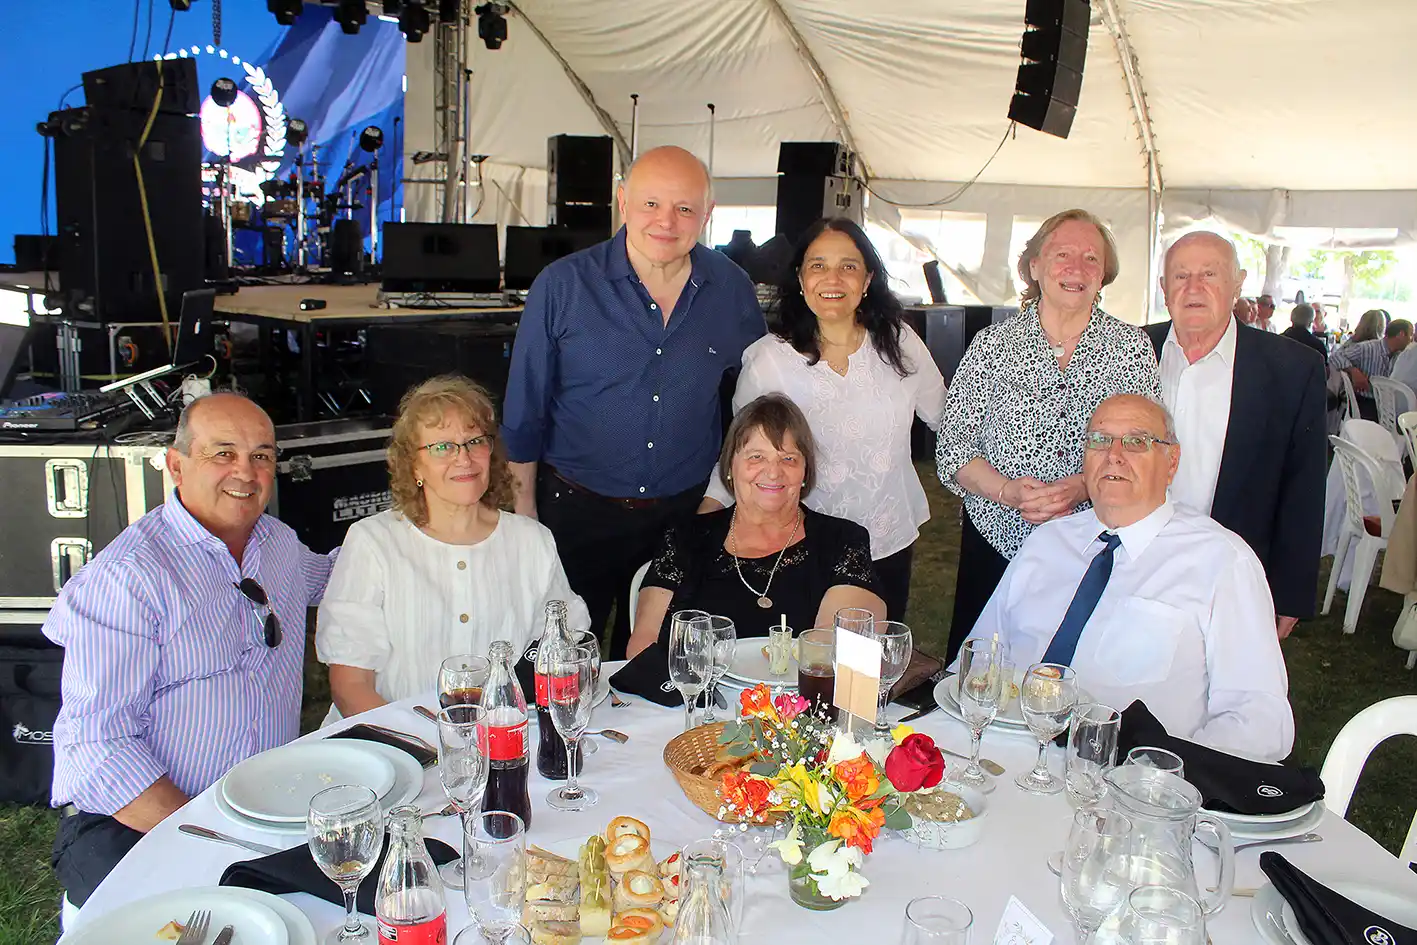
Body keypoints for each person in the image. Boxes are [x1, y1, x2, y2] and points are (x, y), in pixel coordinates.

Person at [45, 393, 336, 906]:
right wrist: (212, 836)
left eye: (261, 455)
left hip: (264, 808)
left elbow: (336, 576)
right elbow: (96, 745)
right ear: (176, 466)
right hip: (141, 823)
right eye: (222, 453)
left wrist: (418, 528)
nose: (245, 472)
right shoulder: (129, 578)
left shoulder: (277, 543)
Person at [500, 145, 766, 658]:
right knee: (561, 662)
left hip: (684, 513)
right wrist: (525, 513)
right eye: (651, 204)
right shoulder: (563, 286)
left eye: (684, 208)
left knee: (659, 665)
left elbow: (751, 401)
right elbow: (524, 408)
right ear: (623, 202)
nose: (666, 221)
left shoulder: (731, 289)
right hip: (575, 513)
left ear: (707, 214)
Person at [964, 395, 1293, 762]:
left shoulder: (1221, 562)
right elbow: (982, 659)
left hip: (1125, 779)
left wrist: (1160, 775)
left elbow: (1260, 719)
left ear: (1171, 462)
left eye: (1136, 442)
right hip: (1003, 757)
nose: (1114, 455)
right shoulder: (1047, 543)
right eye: (1100, 440)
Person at [935, 209, 1162, 661]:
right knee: (983, 668)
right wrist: (1007, 491)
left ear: (1104, 274)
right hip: (996, 535)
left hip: (1093, 540)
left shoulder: (1132, 349)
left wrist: (1079, 488)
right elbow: (954, 447)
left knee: (1073, 669)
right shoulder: (992, 345)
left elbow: (1144, 447)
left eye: (1091, 258)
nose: (1076, 268)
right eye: (1062, 254)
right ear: (1035, 266)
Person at [701, 218, 946, 620]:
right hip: (801, 545)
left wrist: (995, 486)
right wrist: (701, 530)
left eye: (848, 266)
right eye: (818, 265)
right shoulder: (769, 360)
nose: (833, 278)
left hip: (886, 539)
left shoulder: (900, 343)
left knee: (874, 656)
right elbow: (741, 455)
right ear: (800, 278)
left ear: (867, 280)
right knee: (803, 653)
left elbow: (948, 422)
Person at [317, 375, 590, 718]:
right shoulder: (373, 542)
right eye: (442, 447)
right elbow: (351, 686)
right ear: (413, 466)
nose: (464, 458)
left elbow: (565, 650)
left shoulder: (531, 542)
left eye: (475, 441)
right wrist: (424, 742)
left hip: (504, 735)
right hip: (392, 738)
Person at [1143, 231, 1326, 640]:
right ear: (1164, 288)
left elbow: (1304, 486)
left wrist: (1290, 591)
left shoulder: (1293, 368)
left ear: (1238, 284)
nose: (1193, 287)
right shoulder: (1129, 349)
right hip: (1135, 561)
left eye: (1210, 274)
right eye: (1181, 276)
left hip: (1230, 571)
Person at [627, 394, 884, 658]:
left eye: (788, 459)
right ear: (730, 466)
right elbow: (644, 644)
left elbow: (836, 653)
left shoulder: (842, 541)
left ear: (805, 472)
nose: (773, 472)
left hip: (803, 686)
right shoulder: (684, 537)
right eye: (756, 456)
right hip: (692, 686)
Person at [1329, 319, 1413, 422]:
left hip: (1386, 406)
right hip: (1366, 403)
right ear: (1401, 334)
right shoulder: (1367, 348)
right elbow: (1335, 356)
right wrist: (1353, 370)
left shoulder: (1401, 356)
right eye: (1410, 335)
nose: (1411, 340)